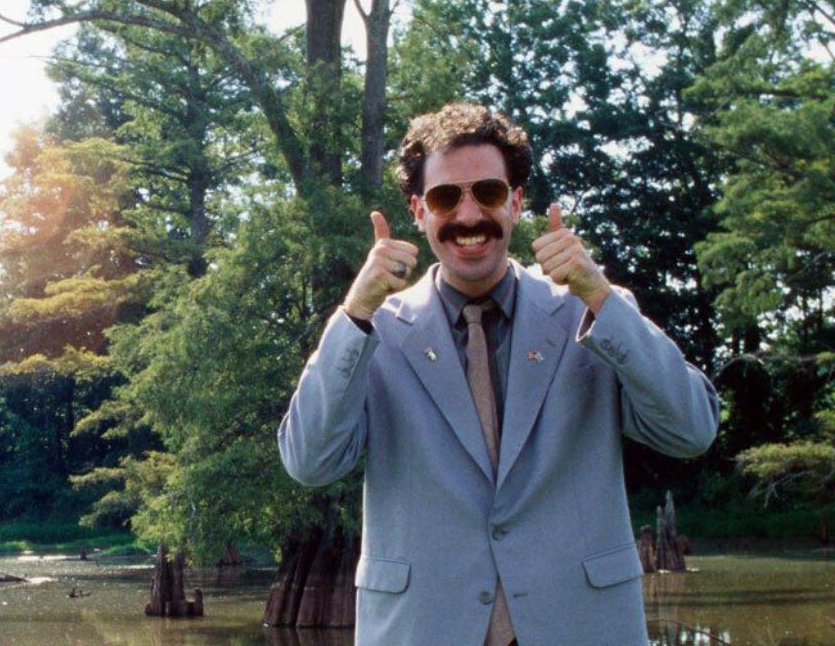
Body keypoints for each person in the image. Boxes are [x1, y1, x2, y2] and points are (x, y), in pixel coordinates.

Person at [278, 103, 718, 645]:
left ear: (515, 201)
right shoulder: (374, 331)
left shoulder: (592, 313)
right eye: (445, 198)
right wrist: (354, 312)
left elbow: (691, 429)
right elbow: (309, 462)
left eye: (487, 192)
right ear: (418, 210)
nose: (468, 216)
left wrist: (600, 296)